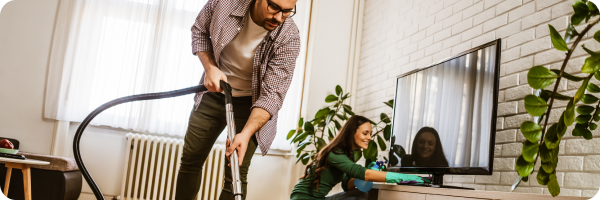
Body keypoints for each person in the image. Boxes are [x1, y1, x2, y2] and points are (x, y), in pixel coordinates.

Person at [175, 0, 301, 199]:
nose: (279, 17)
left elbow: (272, 96)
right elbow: (199, 29)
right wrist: (210, 68)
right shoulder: (226, 3)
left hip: (252, 106)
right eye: (274, 7)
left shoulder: (289, 36)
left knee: (235, 174)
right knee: (191, 160)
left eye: (287, 11)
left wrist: (246, 133)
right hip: (213, 94)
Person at [290, 115, 427, 200]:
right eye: (365, 133)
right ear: (352, 133)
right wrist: (404, 178)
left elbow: (346, 185)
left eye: (370, 134)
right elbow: (362, 173)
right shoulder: (335, 153)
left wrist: (365, 173)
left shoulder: (349, 154)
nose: (369, 138)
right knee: (361, 196)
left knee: (360, 194)